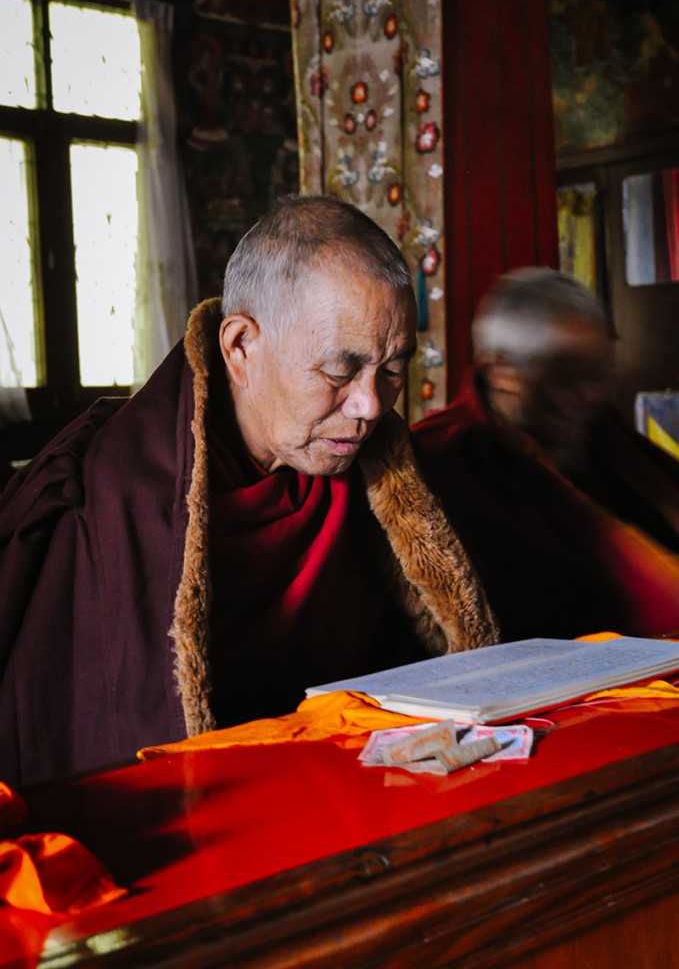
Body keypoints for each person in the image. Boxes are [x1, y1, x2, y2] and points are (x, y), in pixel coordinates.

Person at [0, 195, 497, 788]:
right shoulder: (113, 497)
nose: (368, 407)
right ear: (239, 348)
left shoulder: (372, 472)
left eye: (392, 370)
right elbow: (91, 737)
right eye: (339, 371)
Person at [413, 266, 679, 643]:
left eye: (600, 375)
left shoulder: (601, 433)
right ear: (500, 371)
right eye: (568, 377)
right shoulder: (441, 457)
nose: (592, 396)